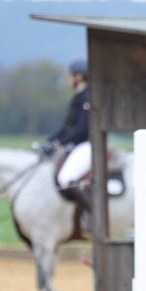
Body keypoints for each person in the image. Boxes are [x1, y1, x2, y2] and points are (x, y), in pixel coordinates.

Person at [44, 59, 92, 213]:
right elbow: (66, 127)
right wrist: (49, 141)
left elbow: (82, 130)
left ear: (79, 77)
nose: (68, 79)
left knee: (66, 178)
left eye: (70, 76)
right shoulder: (78, 97)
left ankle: (93, 214)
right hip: (77, 144)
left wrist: (59, 143)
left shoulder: (87, 97)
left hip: (88, 144)